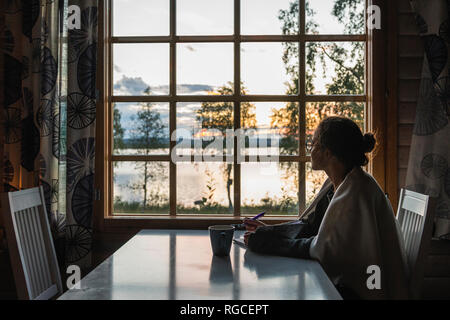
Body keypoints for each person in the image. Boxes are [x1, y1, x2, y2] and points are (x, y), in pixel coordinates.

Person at [243, 116, 409, 300]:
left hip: (360, 293)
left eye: (313, 143)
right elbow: (312, 226)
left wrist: (266, 243)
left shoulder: (356, 191)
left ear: (328, 153)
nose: (310, 149)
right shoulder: (338, 184)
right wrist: (271, 232)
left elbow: (322, 251)